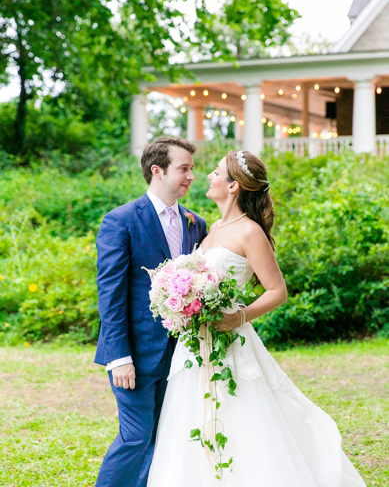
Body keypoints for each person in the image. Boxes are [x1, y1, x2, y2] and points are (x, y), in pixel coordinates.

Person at [146, 150, 366, 487]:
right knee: (191, 417)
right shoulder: (213, 228)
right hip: (195, 345)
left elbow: (277, 291)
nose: (207, 176)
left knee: (240, 418)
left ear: (233, 186)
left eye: (216, 172)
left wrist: (240, 317)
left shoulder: (250, 232)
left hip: (230, 341)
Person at [94, 136, 207, 487]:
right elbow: (110, 294)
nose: (191, 176)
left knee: (162, 438)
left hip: (182, 355)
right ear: (157, 171)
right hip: (137, 355)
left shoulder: (196, 223)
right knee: (135, 437)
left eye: (192, 169)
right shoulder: (121, 221)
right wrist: (118, 357)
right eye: (184, 169)